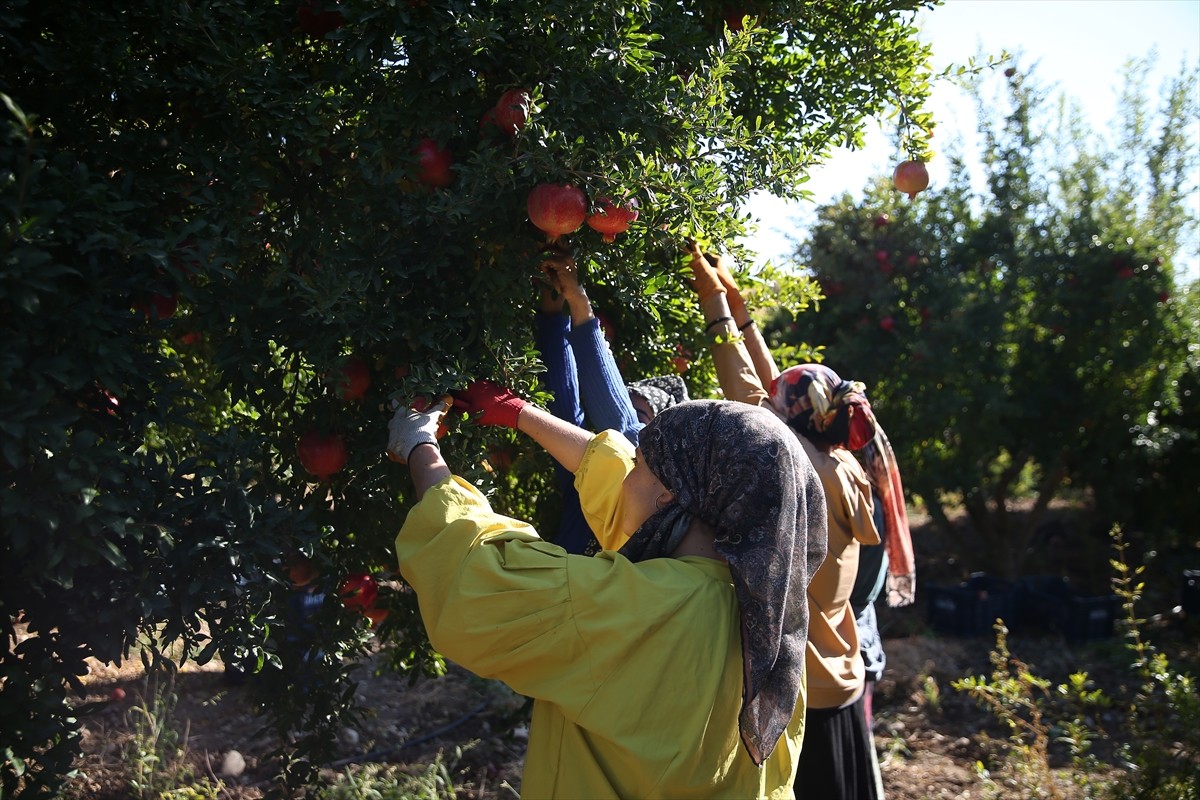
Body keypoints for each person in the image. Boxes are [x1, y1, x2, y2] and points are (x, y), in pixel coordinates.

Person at [386, 381, 828, 799]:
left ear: (671, 498)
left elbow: (478, 570)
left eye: (637, 465)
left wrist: (420, 448)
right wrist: (520, 414)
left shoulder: (630, 605)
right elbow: (626, 490)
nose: (624, 478)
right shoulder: (772, 621)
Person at [686, 242, 915, 800]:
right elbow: (772, 389)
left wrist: (713, 301)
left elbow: (746, 388)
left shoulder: (798, 466)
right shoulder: (842, 464)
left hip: (803, 696)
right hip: (841, 675)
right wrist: (741, 308)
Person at [533, 250, 688, 555]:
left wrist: (578, 301)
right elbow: (565, 414)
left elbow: (621, 425)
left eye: (642, 415)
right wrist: (554, 308)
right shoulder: (586, 485)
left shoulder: (665, 519)